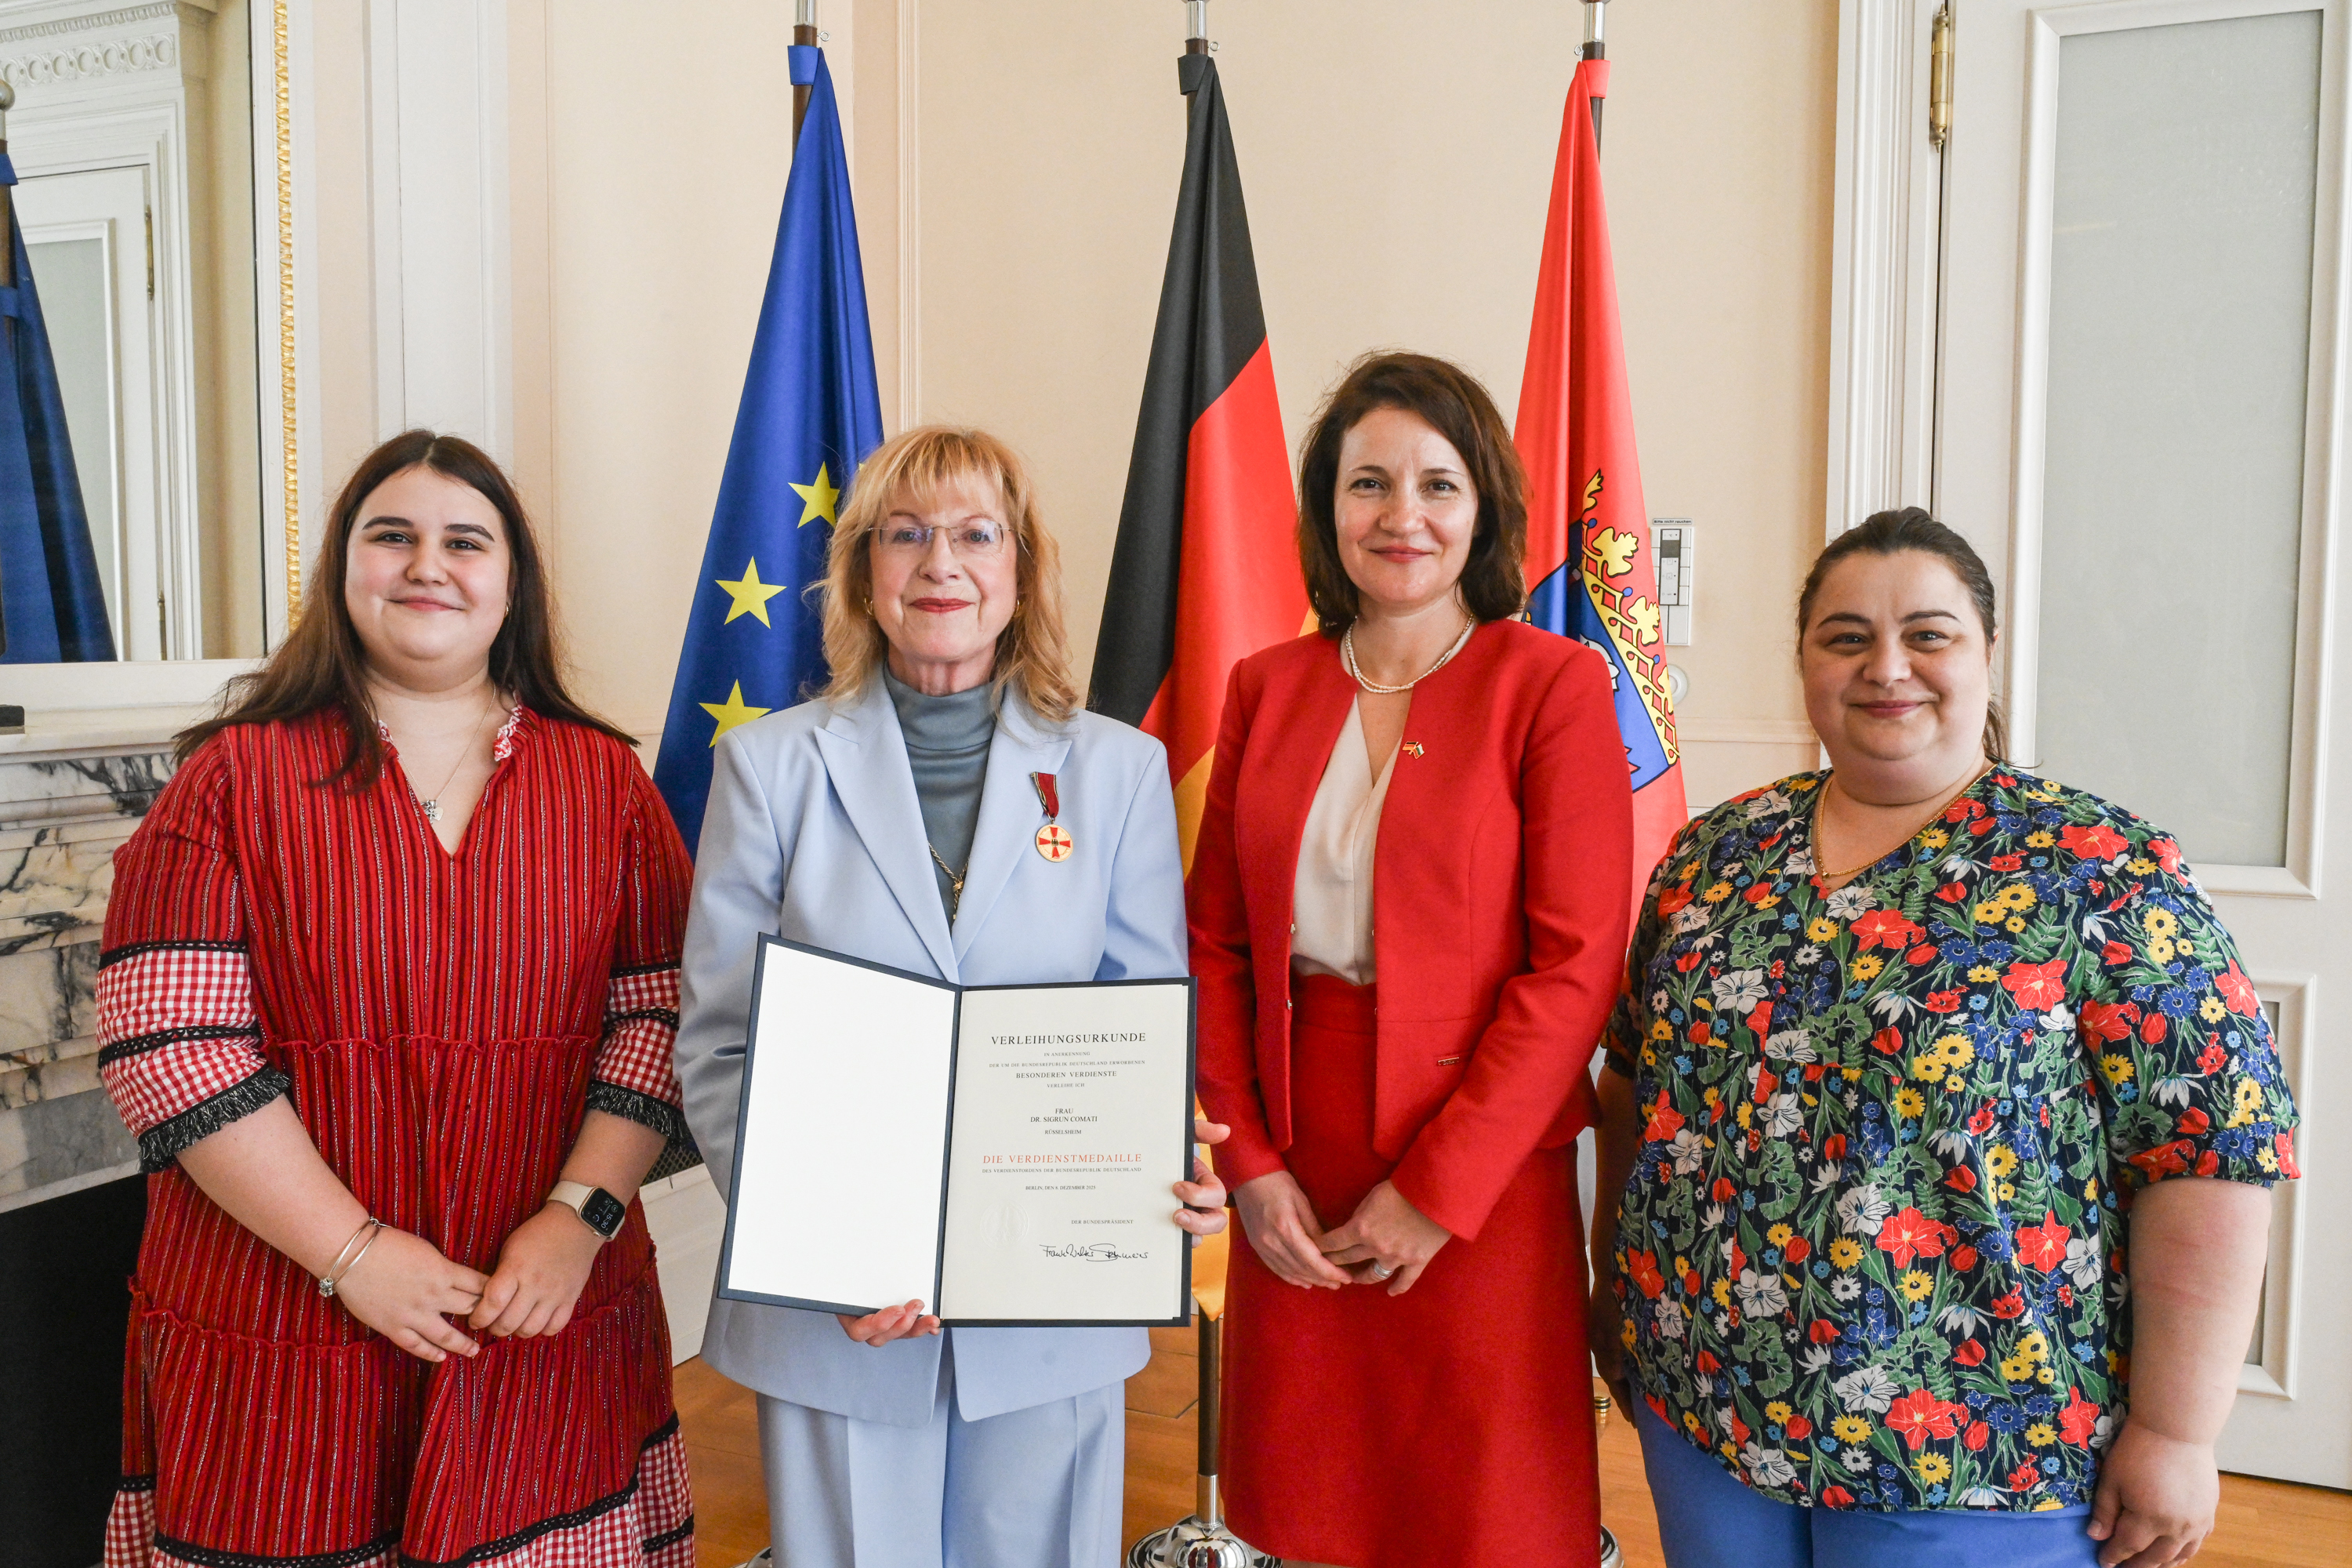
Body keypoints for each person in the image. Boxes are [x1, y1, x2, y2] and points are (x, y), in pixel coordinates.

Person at [1588, 508, 2302, 1568]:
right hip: (1707, 1408)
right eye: (1845, 637)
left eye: (1929, 634)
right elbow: (1632, 1091)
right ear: (1803, 661)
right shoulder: (1713, 858)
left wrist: (2178, 1432)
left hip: (1976, 1445)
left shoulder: (2101, 868)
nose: (1887, 667)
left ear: (1987, 655)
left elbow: (2209, 1153)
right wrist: (1613, 1297)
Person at [95, 431, 697, 1566]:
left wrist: (583, 1216)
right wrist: (356, 1255)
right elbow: (172, 1050)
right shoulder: (229, 777)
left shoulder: (606, 782)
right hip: (285, 1315)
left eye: (465, 542)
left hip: (542, 1308)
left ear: (510, 583)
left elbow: (657, 1023)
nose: (429, 564)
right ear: (343, 569)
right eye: (393, 536)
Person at [673, 424, 1227, 1568]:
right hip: (839, 1311)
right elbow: (722, 1044)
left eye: (978, 534)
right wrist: (823, 1246)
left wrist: (1162, 1161)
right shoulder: (771, 768)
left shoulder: (1115, 771)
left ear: (1022, 571)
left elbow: (1141, 1022)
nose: (941, 563)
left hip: (1051, 1297)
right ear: (862, 574)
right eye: (906, 535)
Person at [1186, 351, 1635, 1567]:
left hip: (1480, 1171)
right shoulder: (1265, 687)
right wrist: (1252, 1173)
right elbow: (1216, 946)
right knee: (1317, 1500)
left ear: (1481, 505)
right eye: (1367, 483)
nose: (1402, 517)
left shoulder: (1551, 685)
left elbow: (1578, 966)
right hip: (1297, 1157)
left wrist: (1440, 1191)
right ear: (1326, 511)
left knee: (1481, 1507)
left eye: (1437, 485)